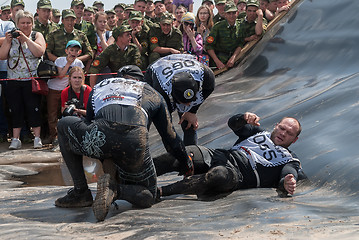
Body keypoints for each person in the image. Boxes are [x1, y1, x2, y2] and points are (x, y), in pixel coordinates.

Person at [55, 65, 193, 222]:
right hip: (133, 143)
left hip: (101, 138)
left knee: (64, 123)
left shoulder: (100, 86)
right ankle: (116, 190)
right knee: (148, 195)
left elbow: (89, 123)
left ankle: (81, 191)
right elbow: (171, 140)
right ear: (139, 80)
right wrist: (186, 162)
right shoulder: (151, 92)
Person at [155, 112, 305, 199]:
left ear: (295, 139)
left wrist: (286, 182)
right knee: (184, 153)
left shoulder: (290, 158)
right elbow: (233, 124)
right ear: (276, 125)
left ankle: (159, 192)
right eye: (282, 128)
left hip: (236, 174)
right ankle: (138, 174)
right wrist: (243, 118)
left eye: (289, 133)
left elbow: (288, 173)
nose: (283, 133)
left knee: (218, 175)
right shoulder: (257, 132)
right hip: (222, 155)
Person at [144, 54, 215, 145]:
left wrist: (192, 111)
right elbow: (164, 126)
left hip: (181, 61)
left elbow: (209, 89)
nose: (188, 105)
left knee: (189, 122)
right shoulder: (161, 91)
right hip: (157, 69)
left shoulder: (206, 75)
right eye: (184, 102)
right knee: (166, 128)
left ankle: (192, 151)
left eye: (191, 100)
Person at [0, 10, 46, 149]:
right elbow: (2, 56)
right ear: (17, 24)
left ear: (32, 23)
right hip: (13, 80)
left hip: (31, 80)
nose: (25, 26)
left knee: (34, 108)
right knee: (16, 109)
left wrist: (26, 39)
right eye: (22, 23)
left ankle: (37, 138)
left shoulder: (36, 35)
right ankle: (15, 139)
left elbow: (39, 52)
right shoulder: (11, 37)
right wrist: (8, 41)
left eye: (28, 23)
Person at [46, 40, 85, 145]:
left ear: (79, 52)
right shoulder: (60, 60)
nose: (73, 52)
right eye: (71, 50)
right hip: (54, 89)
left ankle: (67, 136)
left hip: (68, 91)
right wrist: (68, 63)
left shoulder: (79, 63)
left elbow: (81, 79)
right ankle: (54, 136)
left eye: (76, 50)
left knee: (67, 112)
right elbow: (60, 75)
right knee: (52, 113)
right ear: (66, 51)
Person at [205, 2, 242, 69]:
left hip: (235, 60)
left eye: (233, 13)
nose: (231, 15)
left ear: (237, 13)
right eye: (229, 13)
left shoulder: (241, 26)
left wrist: (233, 57)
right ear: (225, 14)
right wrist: (217, 62)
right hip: (219, 62)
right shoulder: (217, 27)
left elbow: (240, 43)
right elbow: (208, 46)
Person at [0, 16, 15, 142]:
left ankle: (16, 133)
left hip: (7, 71)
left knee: (12, 103)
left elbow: (11, 38)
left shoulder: (7, 24)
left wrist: (5, 40)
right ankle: (2, 133)